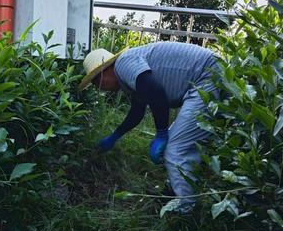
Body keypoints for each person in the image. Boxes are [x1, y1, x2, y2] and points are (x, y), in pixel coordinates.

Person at [79, 41, 218, 214]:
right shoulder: (128, 76)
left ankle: (187, 211)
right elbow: (137, 112)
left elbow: (156, 92)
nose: (100, 89)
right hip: (206, 75)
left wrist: (161, 134)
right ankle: (178, 191)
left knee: (176, 149)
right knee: (179, 142)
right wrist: (114, 136)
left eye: (95, 83)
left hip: (208, 75)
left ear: (103, 73)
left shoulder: (123, 64)